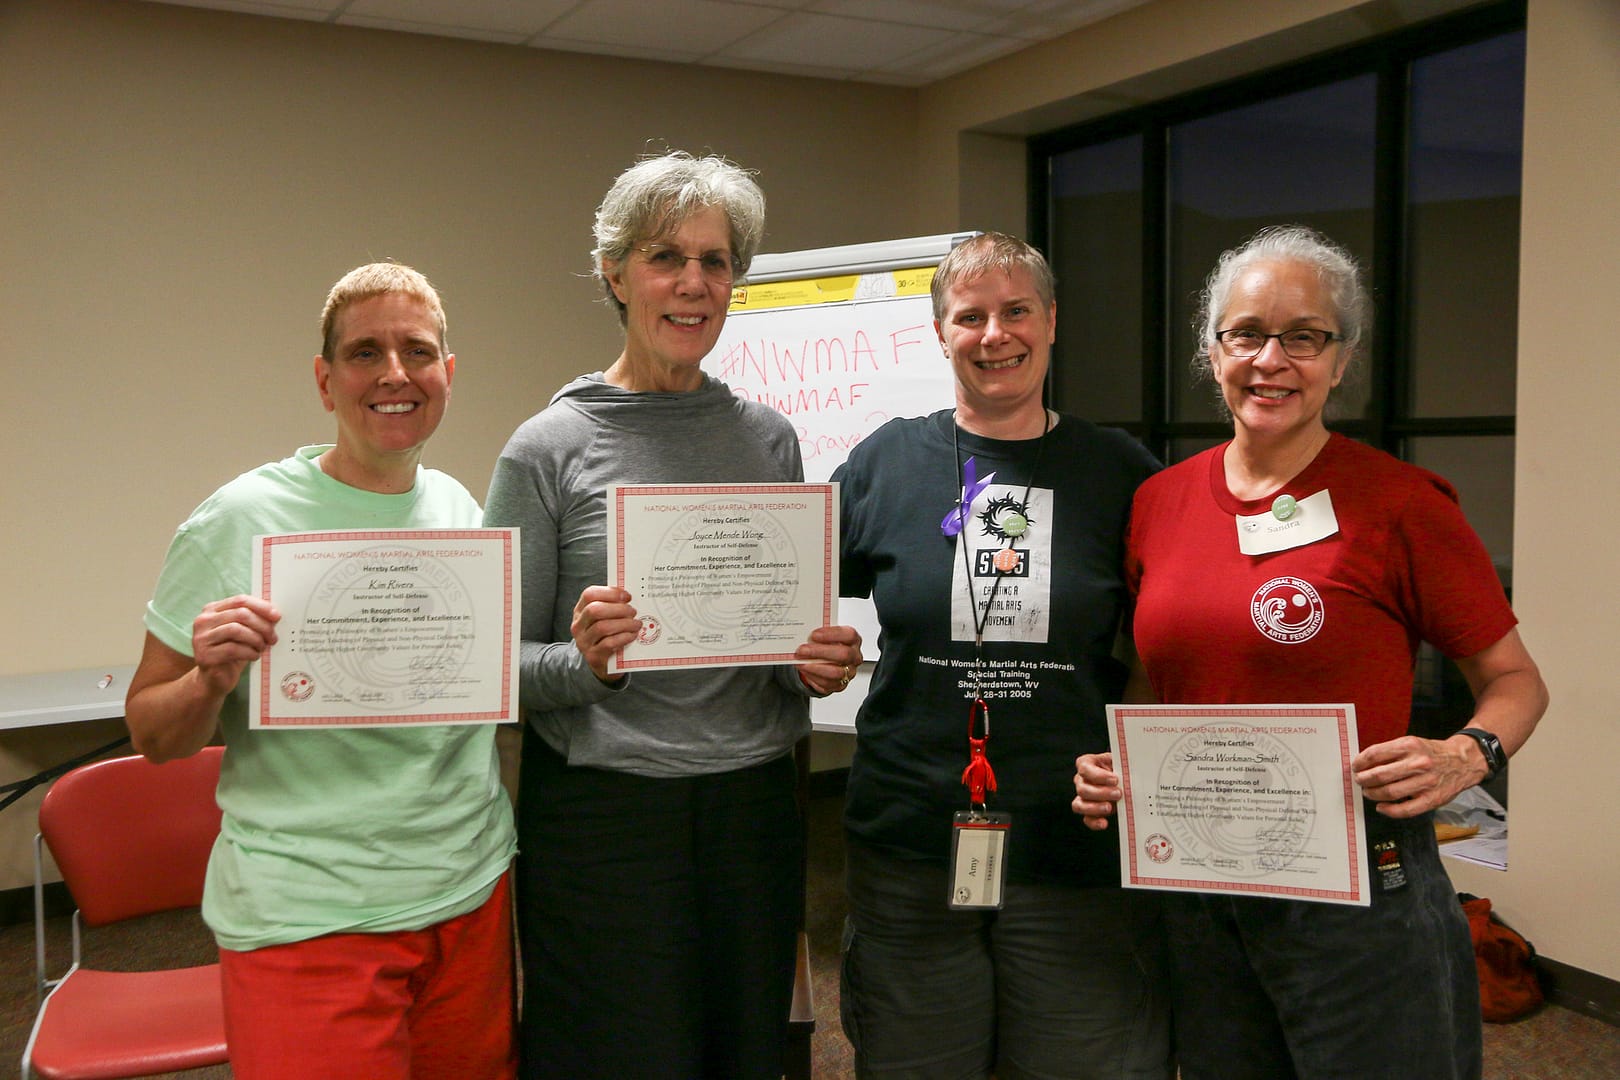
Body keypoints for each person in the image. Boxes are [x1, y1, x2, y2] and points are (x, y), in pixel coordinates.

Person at [1073, 224, 1549, 1080]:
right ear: (1212, 351)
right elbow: (1154, 677)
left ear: (1341, 359)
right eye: (1247, 334)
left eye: (1304, 337)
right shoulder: (1159, 503)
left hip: (1358, 888)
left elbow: (1516, 681)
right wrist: (1123, 763)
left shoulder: (1402, 505)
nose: (1271, 360)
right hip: (1202, 880)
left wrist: (1465, 754)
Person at [482, 150, 864, 1080]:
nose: (693, 283)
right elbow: (491, 665)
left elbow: (772, 635)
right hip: (607, 818)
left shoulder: (768, 439)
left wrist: (809, 664)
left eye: (715, 261)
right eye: (665, 257)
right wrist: (585, 664)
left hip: (753, 807)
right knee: (622, 1052)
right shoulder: (548, 447)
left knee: (746, 1047)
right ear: (615, 275)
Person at [124, 263, 518, 1078]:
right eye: (365, 352)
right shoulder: (240, 519)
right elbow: (153, 733)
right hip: (311, 917)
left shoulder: (462, 512)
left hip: (468, 894)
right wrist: (207, 681)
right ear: (325, 380)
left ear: (447, 373)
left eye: (417, 351)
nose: (395, 373)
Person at [832, 232, 1173, 1079]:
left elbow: (1167, 635)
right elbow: (790, 585)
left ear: (1051, 321)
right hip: (911, 837)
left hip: (1076, 843)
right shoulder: (884, 462)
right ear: (939, 333)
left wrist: (1145, 744)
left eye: (1016, 311)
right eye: (970, 316)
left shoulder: (1120, 471)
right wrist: (809, 653)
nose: (995, 335)